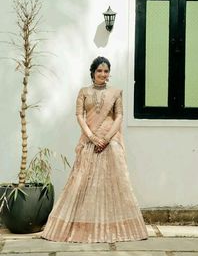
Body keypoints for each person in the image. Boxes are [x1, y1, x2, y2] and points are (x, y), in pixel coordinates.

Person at [41, 56, 148, 243]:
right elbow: (79, 116)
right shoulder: (84, 92)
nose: (103, 74)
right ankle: (83, 227)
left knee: (115, 183)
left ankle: (117, 229)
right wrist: (92, 137)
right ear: (93, 72)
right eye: (99, 70)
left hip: (110, 139)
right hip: (90, 140)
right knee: (82, 181)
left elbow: (119, 116)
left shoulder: (115, 93)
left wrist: (106, 139)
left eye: (106, 71)